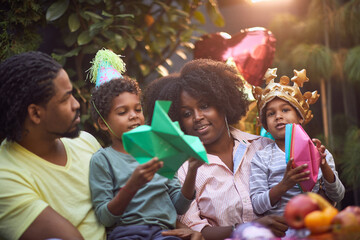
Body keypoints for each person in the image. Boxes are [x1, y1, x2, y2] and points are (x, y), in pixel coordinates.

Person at [143, 59, 289, 240]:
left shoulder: (263, 147)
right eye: (186, 114)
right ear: (179, 121)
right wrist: (250, 227)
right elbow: (196, 231)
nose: (197, 117)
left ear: (223, 102)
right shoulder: (182, 171)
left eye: (204, 106)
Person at [88, 51, 204, 239]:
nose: (134, 115)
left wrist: (191, 171)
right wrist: (132, 185)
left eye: (137, 109)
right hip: (127, 234)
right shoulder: (103, 160)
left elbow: (179, 206)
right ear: (103, 123)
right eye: (122, 111)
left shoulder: (159, 150)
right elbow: (104, 218)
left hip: (165, 234)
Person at [0, 51, 106, 239]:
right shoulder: (6, 178)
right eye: (65, 99)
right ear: (35, 114)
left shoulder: (86, 141)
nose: (76, 104)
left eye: (72, 94)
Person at [249, 68, 345, 216]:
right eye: (271, 113)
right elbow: (257, 206)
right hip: (280, 233)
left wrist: (324, 166)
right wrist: (285, 184)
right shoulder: (262, 158)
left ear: (301, 117)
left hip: (316, 229)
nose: (278, 116)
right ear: (265, 125)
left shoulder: (319, 152)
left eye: (285, 110)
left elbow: (338, 196)